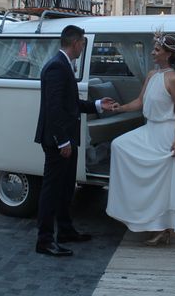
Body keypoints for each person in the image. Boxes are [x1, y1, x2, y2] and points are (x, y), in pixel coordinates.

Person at [34, 25, 115, 257]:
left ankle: (66, 230)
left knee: (66, 188)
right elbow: (54, 109)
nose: (83, 47)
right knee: (51, 191)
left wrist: (99, 105)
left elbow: (71, 104)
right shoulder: (56, 67)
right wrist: (62, 142)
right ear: (75, 42)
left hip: (67, 138)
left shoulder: (63, 65)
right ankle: (45, 239)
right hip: (58, 140)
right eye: (82, 43)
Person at [106, 32, 175, 246]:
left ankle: (164, 228)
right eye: (154, 49)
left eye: (157, 50)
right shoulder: (152, 75)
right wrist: (119, 108)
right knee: (119, 145)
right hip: (149, 130)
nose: (153, 52)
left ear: (168, 54)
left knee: (163, 184)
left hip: (166, 134)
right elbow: (140, 102)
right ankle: (140, 213)